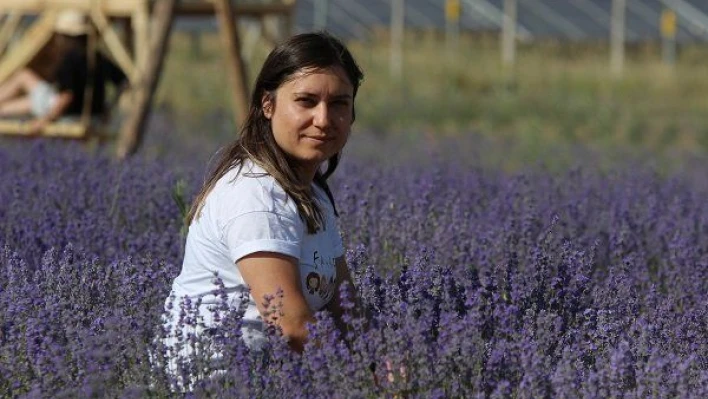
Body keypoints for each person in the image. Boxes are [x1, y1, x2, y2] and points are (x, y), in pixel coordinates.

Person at [163, 31, 365, 358]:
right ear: (267, 105)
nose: (324, 119)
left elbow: (346, 306)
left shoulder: (313, 193)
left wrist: (384, 362)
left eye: (339, 103)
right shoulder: (256, 195)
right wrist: (364, 378)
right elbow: (291, 324)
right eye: (306, 101)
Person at [0, 10, 127, 134]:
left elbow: (66, 97)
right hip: (93, 116)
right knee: (32, 101)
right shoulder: (98, 57)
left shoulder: (69, 60)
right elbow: (123, 82)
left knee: (23, 76)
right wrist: (107, 109)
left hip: (68, 114)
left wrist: (44, 121)